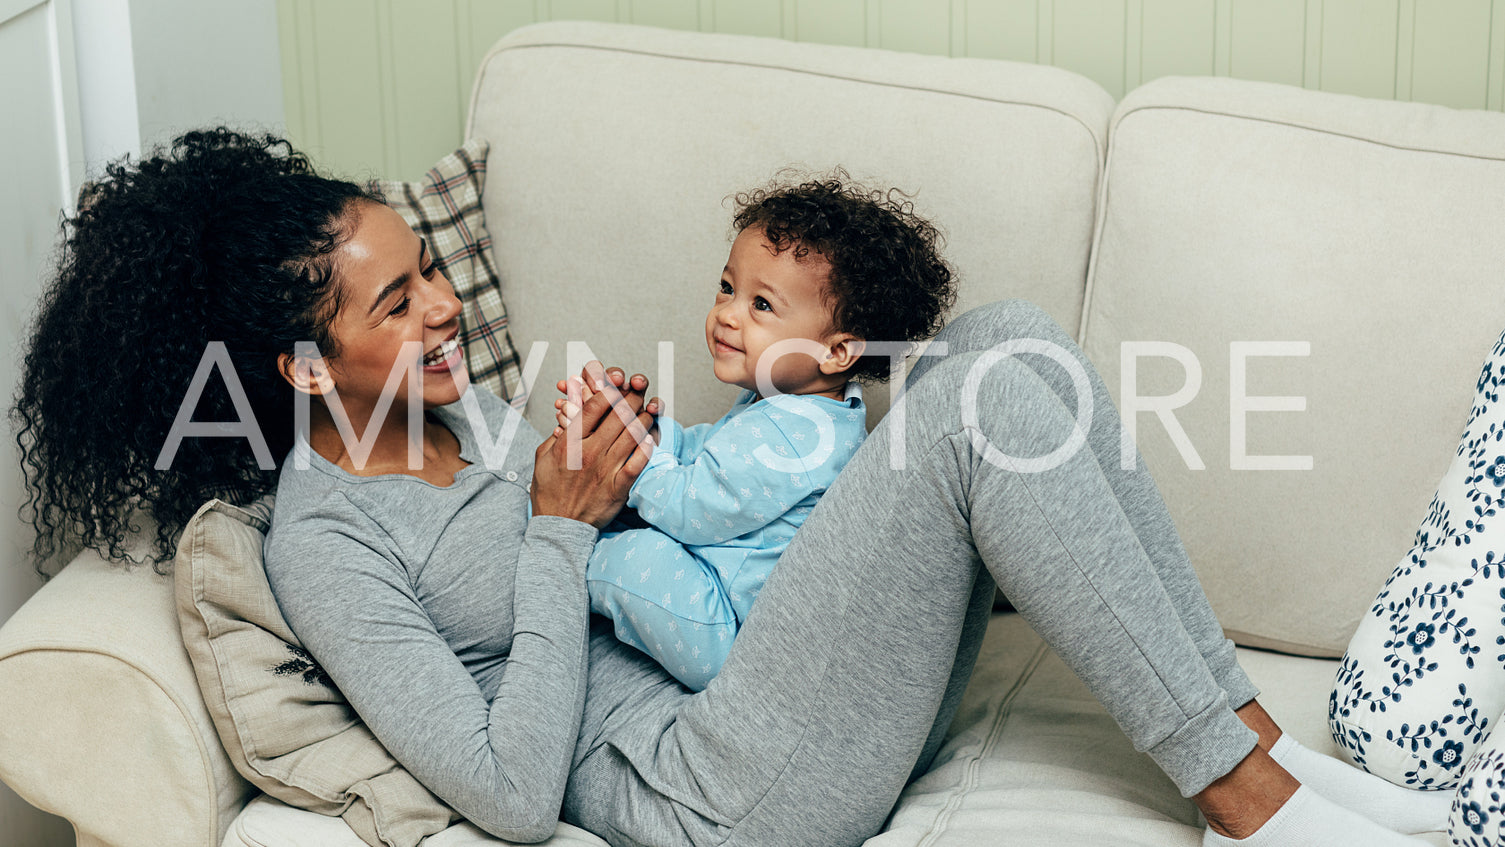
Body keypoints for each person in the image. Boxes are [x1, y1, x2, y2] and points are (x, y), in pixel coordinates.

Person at [12, 128, 1448, 847]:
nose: (446, 309)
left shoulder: (466, 408)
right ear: (308, 369)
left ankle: (1248, 728)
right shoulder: (327, 546)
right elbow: (509, 794)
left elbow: (630, 529)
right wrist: (570, 532)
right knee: (988, 406)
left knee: (1004, 343)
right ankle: (1255, 797)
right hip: (720, 785)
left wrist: (634, 463)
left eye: (434, 270)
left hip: (772, 673)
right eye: (400, 299)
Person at [568, 175, 954, 691]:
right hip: (716, 588)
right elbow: (713, 454)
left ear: (838, 352)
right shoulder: (805, 407)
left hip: (732, 634)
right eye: (728, 288)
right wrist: (650, 432)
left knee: (630, 556)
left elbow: (689, 508)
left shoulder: (795, 437)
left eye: (762, 305)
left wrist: (629, 452)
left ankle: (562, 565)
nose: (727, 315)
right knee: (629, 521)